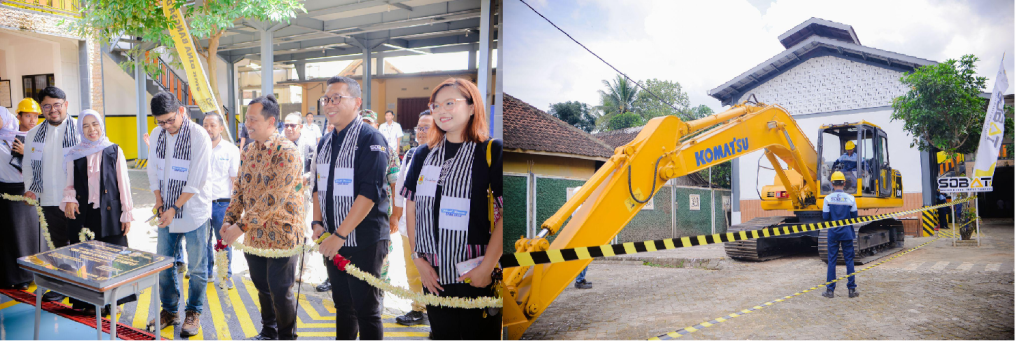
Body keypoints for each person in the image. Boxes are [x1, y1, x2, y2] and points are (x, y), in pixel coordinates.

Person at [402, 78, 502, 338]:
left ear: (471, 107)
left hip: (475, 274)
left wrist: (486, 268)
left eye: (450, 103)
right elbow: (411, 208)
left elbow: (507, 214)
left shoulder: (491, 152)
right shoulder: (423, 155)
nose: (441, 110)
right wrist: (418, 259)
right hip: (433, 274)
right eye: (436, 105)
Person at [220, 95, 306, 341]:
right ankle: (269, 332)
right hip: (255, 236)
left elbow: (273, 198)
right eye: (247, 118)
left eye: (253, 119)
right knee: (262, 287)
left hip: (283, 235)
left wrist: (240, 226)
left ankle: (287, 336)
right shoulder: (248, 150)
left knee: (280, 291)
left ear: (271, 121)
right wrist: (230, 218)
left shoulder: (286, 151)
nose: (248, 123)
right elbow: (239, 189)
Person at [312, 76, 391, 341]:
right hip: (332, 238)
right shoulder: (325, 142)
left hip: (364, 240)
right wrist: (317, 223)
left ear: (357, 102)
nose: (330, 104)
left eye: (337, 98)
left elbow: (369, 193)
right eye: (327, 99)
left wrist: (340, 235)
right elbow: (317, 186)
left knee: (366, 310)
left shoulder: (371, 138)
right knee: (343, 306)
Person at [146, 91, 213, 337]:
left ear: (181, 111)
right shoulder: (157, 134)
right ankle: (170, 310)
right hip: (166, 211)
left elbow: (197, 180)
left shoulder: (199, 136)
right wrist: (159, 201)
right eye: (160, 122)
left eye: (169, 120)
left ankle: (193, 312)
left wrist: (174, 207)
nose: (165, 126)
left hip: (194, 212)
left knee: (196, 268)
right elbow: (153, 170)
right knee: (164, 264)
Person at [60, 109, 137, 314]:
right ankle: (89, 302)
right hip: (83, 215)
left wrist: (126, 212)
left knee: (111, 259)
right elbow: (69, 184)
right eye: (85, 126)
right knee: (85, 259)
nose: (91, 129)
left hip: (110, 213)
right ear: (80, 129)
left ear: (101, 125)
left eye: (95, 124)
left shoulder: (113, 150)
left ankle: (113, 301)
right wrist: (69, 200)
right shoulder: (73, 153)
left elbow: (124, 184)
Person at [22, 86, 81, 302]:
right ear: (41, 109)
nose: (53, 110)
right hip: (47, 198)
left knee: (79, 243)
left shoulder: (80, 129)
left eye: (57, 105)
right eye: (47, 106)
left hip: (76, 200)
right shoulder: (33, 135)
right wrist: (30, 188)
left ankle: (83, 287)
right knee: (57, 244)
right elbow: (28, 165)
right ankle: (62, 285)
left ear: (66, 105)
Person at [393, 109, 433, 326]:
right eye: (419, 127)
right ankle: (418, 308)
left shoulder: (448, 156)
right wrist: (396, 215)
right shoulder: (410, 155)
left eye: (426, 127)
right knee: (412, 269)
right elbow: (400, 188)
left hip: (434, 229)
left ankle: (436, 311)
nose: (421, 132)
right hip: (410, 226)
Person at [0, 106, 40, 290]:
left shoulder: (24, 137)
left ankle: (31, 272)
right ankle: (13, 275)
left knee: (28, 235)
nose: (32, 119)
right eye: (28, 115)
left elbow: (40, 165)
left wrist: (27, 152)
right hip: (4, 192)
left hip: (25, 191)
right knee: (10, 236)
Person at [202, 112, 240, 289]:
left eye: (212, 125)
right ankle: (207, 272)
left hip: (222, 204)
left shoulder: (230, 150)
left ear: (221, 128)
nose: (208, 129)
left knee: (222, 242)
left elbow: (235, 180)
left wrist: (236, 208)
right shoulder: (198, 148)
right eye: (205, 125)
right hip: (200, 203)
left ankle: (225, 276)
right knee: (203, 241)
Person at [283, 111, 318, 283]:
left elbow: (315, 171)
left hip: (302, 194)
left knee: (304, 230)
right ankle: (286, 266)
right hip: (282, 196)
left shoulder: (309, 146)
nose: (289, 129)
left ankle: (305, 269)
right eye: (286, 125)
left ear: (301, 127)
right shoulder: (278, 144)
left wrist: (306, 177)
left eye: (292, 125)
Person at [822, 171, 859, 299]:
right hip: (847, 233)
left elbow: (825, 217)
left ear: (832, 184)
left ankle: (830, 290)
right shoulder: (850, 198)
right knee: (849, 260)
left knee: (832, 260)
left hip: (833, 234)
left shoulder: (827, 199)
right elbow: (855, 216)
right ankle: (851, 290)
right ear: (844, 183)